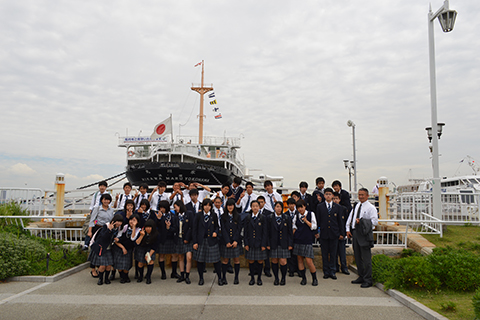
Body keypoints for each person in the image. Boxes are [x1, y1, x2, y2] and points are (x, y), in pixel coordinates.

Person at [346, 188, 378, 288]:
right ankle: (361, 276)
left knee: (366, 258)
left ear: (367, 196)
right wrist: (348, 228)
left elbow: (374, 222)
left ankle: (368, 279)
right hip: (355, 232)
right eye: (359, 195)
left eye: (362, 195)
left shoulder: (371, 208)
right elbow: (351, 217)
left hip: (364, 234)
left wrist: (362, 221)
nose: (360, 197)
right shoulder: (357, 206)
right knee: (357, 256)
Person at [315, 188, 345, 280]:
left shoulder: (338, 207)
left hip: (334, 233)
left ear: (332, 196)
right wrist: (316, 232)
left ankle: (332, 271)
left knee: (333, 253)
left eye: (330, 194)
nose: (328, 195)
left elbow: (340, 221)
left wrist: (341, 233)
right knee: (324, 253)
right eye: (326, 194)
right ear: (324, 196)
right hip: (324, 233)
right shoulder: (320, 206)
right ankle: (326, 271)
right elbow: (317, 220)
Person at [193, 198, 222, 286]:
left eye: (209, 205)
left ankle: (220, 278)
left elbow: (217, 227)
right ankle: (201, 278)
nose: (207, 207)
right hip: (201, 241)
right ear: (203, 206)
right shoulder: (198, 215)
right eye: (205, 205)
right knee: (200, 261)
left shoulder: (214, 215)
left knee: (216, 260)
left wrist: (215, 232)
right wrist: (195, 242)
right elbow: (194, 230)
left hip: (211, 241)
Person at [89, 213, 123, 285]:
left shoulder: (117, 229)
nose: (119, 223)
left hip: (109, 248)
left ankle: (106, 279)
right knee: (102, 265)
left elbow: (112, 238)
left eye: (120, 222)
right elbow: (103, 237)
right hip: (102, 248)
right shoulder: (106, 226)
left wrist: (116, 239)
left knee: (109, 265)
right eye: (118, 221)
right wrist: (109, 230)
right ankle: (100, 279)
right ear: (114, 221)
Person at [87, 193, 114, 278]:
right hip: (98, 230)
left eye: (108, 199)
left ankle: (101, 267)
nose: (106, 201)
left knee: (105, 248)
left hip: (107, 230)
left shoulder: (111, 210)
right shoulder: (97, 208)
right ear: (101, 200)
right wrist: (90, 231)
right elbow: (92, 220)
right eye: (105, 199)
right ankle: (93, 269)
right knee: (95, 248)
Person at [292, 200, 318, 286]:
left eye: (301, 207)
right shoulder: (296, 215)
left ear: (305, 206)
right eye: (298, 208)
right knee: (300, 260)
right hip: (298, 239)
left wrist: (306, 221)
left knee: (309, 261)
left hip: (307, 240)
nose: (300, 209)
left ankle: (314, 278)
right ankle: (303, 278)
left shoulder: (311, 214)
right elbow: (294, 226)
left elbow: (314, 226)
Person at [267, 201, 293, 286]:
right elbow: (267, 232)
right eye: (277, 207)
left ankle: (283, 278)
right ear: (274, 208)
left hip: (284, 243)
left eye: (280, 207)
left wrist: (290, 244)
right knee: (274, 261)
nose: (279, 208)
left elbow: (290, 232)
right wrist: (267, 243)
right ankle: (276, 278)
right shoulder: (270, 217)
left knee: (283, 261)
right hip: (273, 242)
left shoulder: (286, 217)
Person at [244, 200, 268, 286]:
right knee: (251, 261)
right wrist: (246, 243)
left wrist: (263, 244)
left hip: (259, 243)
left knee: (260, 261)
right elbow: (245, 232)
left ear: (259, 207)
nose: (255, 207)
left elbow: (265, 232)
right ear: (251, 207)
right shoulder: (248, 217)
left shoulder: (262, 217)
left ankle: (259, 278)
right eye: (253, 206)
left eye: (256, 206)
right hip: (250, 243)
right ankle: (252, 278)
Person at [113, 214, 141, 283]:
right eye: (131, 220)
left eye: (134, 220)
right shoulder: (125, 227)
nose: (132, 222)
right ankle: (122, 277)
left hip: (129, 248)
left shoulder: (138, 229)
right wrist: (122, 247)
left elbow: (132, 238)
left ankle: (126, 276)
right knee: (119, 265)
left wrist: (134, 227)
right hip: (120, 247)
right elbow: (118, 237)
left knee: (127, 265)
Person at [219, 199, 242, 285]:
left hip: (236, 241)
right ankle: (224, 277)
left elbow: (239, 229)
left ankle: (236, 277)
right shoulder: (223, 216)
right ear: (226, 206)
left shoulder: (238, 216)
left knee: (236, 260)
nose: (230, 207)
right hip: (226, 241)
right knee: (225, 260)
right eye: (229, 205)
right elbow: (223, 230)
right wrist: (227, 241)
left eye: (232, 205)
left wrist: (235, 240)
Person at [83, 181, 110, 251]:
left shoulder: (107, 194)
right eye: (101, 186)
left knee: (99, 229)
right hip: (96, 215)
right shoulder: (96, 194)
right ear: (99, 187)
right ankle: (86, 243)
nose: (102, 187)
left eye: (104, 186)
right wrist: (91, 211)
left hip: (102, 214)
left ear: (106, 187)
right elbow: (93, 203)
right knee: (91, 226)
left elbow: (109, 204)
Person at [156, 200, 179, 279]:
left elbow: (176, 227)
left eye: (163, 207)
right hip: (163, 238)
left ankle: (174, 272)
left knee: (174, 255)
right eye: (160, 207)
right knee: (161, 255)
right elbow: (157, 227)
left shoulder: (173, 215)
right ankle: (163, 273)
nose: (162, 209)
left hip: (172, 238)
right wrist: (159, 219)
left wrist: (169, 228)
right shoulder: (158, 216)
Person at [173, 200, 194, 284]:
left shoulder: (189, 213)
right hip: (179, 238)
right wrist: (168, 227)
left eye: (176, 207)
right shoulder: (176, 217)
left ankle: (187, 275)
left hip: (187, 239)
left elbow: (191, 227)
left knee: (189, 257)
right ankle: (182, 275)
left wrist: (187, 238)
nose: (175, 209)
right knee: (180, 257)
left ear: (180, 206)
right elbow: (175, 228)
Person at [135, 219, 159, 284]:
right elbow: (137, 243)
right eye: (146, 227)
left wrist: (149, 255)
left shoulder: (156, 234)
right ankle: (141, 276)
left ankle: (148, 276)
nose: (148, 229)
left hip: (150, 248)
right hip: (141, 248)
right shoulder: (141, 232)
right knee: (140, 263)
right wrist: (141, 236)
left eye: (149, 227)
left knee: (150, 261)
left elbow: (155, 246)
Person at [333, 192, 350, 275]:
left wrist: (343, 233)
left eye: (336, 198)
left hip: (341, 233)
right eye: (334, 199)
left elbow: (345, 222)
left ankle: (344, 267)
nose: (335, 200)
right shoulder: (331, 208)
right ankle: (335, 266)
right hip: (333, 233)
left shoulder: (343, 209)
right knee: (334, 252)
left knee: (342, 252)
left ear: (339, 199)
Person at [257, 195, 272, 278]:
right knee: (256, 253)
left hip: (265, 236)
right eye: (258, 202)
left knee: (266, 255)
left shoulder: (269, 213)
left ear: (264, 203)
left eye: (262, 202)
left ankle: (267, 270)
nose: (260, 204)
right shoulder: (252, 212)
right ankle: (255, 270)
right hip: (256, 236)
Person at [285, 198, 299, 277]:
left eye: (292, 204)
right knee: (290, 254)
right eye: (289, 204)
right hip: (289, 237)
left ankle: (298, 269)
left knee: (298, 254)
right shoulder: (285, 214)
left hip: (298, 236)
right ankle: (291, 270)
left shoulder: (298, 213)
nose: (291, 205)